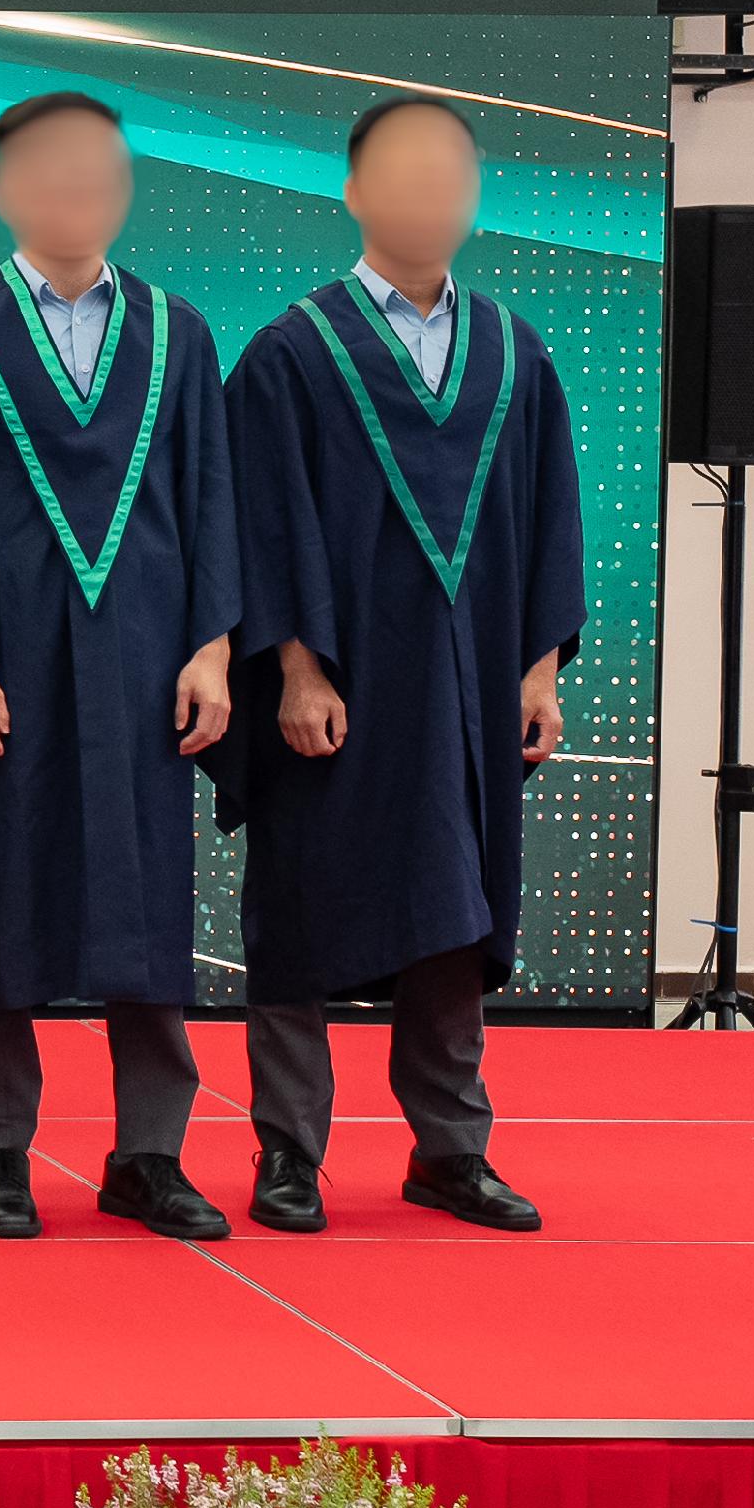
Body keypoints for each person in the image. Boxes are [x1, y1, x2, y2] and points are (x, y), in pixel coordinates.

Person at [215, 96, 583, 1233]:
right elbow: (259, 520)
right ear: (354, 194)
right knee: (302, 901)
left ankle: (449, 1150)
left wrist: (537, 666)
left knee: (455, 906)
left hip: (471, 684)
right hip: (338, 685)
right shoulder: (290, 351)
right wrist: (294, 668)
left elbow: (546, 518)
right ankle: (288, 1151)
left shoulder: (514, 351)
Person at [0, 94, 241, 1241]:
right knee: (3, 900)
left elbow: (209, 499)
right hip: (10, 662)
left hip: (147, 658)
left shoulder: (178, 332)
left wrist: (210, 646)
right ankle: (0, 1150)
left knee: (147, 908)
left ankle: (148, 1152)